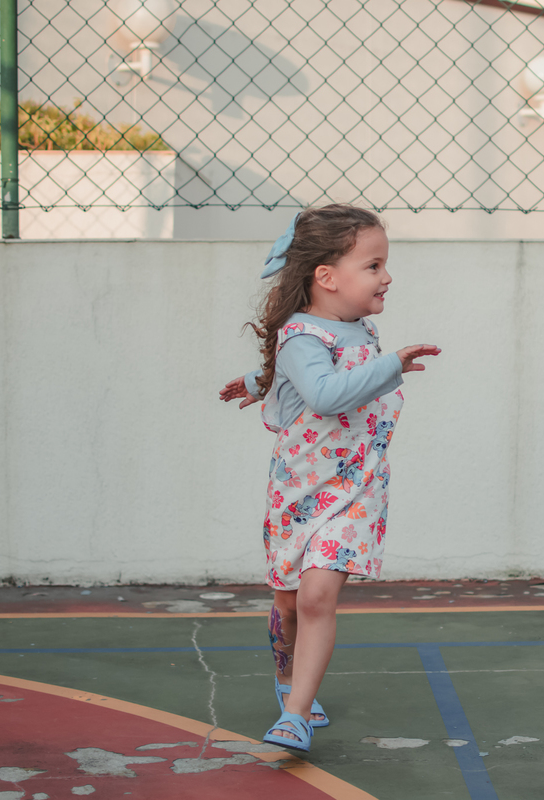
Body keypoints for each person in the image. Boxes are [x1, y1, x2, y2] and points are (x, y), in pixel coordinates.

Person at [219, 204, 441, 751]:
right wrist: (390, 364)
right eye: (373, 265)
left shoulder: (355, 326)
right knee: (291, 603)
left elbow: (321, 370)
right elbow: (320, 390)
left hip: (357, 489)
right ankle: (287, 678)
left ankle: (294, 714)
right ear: (327, 276)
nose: (386, 276)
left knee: (318, 596)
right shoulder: (300, 336)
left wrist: (256, 379)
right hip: (298, 493)